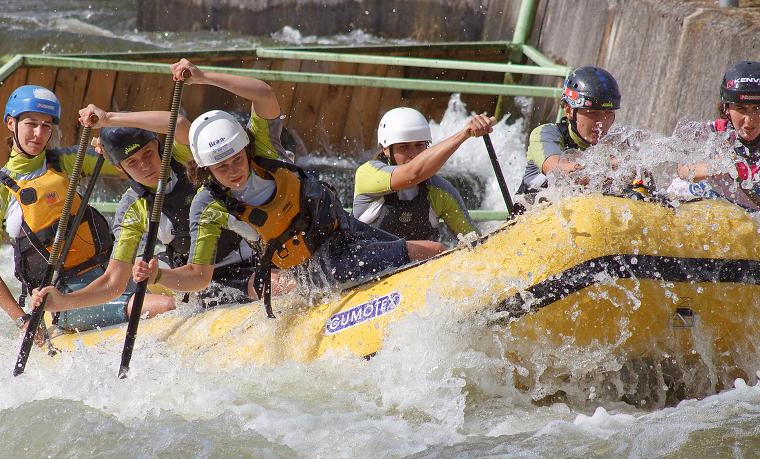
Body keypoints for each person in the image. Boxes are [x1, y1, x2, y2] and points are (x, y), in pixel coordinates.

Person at [132, 59, 445, 317]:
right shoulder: (208, 204)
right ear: (205, 169)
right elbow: (199, 276)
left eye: (237, 159)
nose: (234, 171)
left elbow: (264, 94)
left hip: (343, 229)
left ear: (246, 148)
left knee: (433, 251)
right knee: (426, 252)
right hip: (315, 267)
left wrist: (203, 76)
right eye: (222, 167)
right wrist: (158, 274)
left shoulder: (264, 150)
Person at [0, 85, 124, 335]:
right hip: (59, 295)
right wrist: (22, 320)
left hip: (106, 277)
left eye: (46, 126)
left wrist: (111, 145)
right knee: (161, 305)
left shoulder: (64, 162)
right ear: (11, 123)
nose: (39, 133)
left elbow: (134, 163)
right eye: (31, 124)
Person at [353, 107, 493, 241]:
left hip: (418, 265)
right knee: (435, 249)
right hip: (365, 263)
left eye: (419, 145)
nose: (413, 154)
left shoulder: (441, 192)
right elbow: (412, 175)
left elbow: (474, 242)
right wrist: (464, 134)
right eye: (404, 147)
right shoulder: (368, 173)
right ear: (385, 150)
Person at [518, 66, 621, 195]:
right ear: (569, 111)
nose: (601, 121)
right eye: (592, 112)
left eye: (608, 112)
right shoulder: (546, 134)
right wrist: (610, 165)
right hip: (536, 211)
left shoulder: (617, 143)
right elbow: (558, 172)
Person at [673, 61, 760, 210]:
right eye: (741, 108)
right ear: (726, 108)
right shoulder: (711, 133)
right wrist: (718, 168)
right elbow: (683, 170)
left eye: (757, 108)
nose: (749, 120)